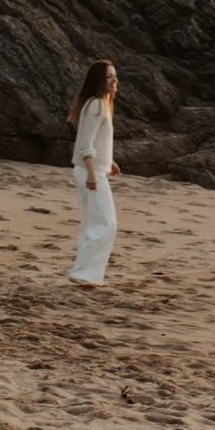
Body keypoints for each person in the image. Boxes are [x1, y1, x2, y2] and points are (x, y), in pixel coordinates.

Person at [67, 60, 121, 287]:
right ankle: (85, 273)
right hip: (90, 172)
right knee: (106, 223)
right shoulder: (97, 105)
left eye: (114, 75)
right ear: (98, 80)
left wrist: (109, 162)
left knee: (94, 223)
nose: (114, 80)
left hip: (93, 169)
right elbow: (85, 145)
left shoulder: (98, 103)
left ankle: (84, 273)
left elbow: (93, 141)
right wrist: (92, 174)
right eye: (109, 76)